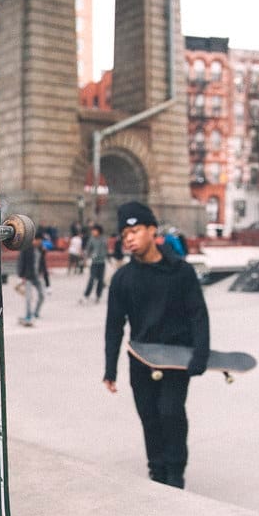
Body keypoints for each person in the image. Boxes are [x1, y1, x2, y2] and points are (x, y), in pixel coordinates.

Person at [103, 202, 210, 489]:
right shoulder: (123, 278)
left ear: (152, 231)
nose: (129, 238)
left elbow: (198, 314)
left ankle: (175, 471)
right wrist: (110, 368)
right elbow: (114, 325)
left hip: (176, 359)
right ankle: (157, 470)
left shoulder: (181, 271)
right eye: (124, 234)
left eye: (135, 231)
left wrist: (201, 354)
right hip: (141, 358)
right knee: (149, 417)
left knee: (171, 413)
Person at [17, 231, 47, 326]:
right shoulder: (26, 248)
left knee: (42, 295)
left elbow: (42, 262)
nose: (39, 242)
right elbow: (21, 261)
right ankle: (28, 315)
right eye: (38, 240)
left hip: (37, 276)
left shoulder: (41, 249)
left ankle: (36, 313)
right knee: (29, 298)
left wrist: (43, 273)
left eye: (40, 241)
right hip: (28, 276)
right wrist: (22, 276)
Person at [82, 224, 108, 303]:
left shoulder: (104, 239)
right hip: (94, 263)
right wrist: (85, 259)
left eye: (94, 230)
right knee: (92, 279)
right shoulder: (91, 239)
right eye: (92, 230)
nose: (93, 232)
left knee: (100, 280)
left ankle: (98, 296)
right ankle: (86, 295)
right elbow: (88, 249)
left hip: (102, 262)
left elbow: (105, 249)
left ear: (98, 231)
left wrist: (105, 256)